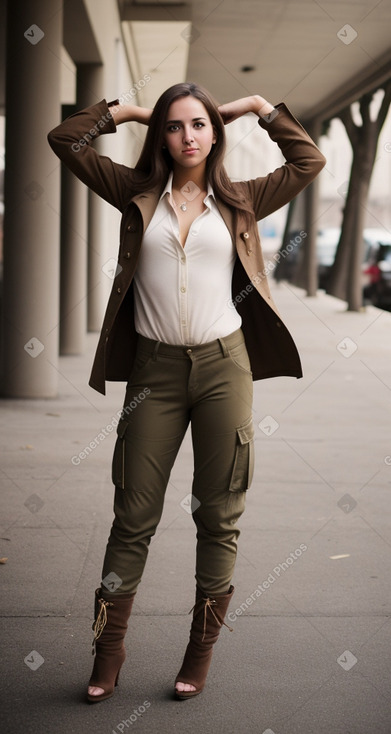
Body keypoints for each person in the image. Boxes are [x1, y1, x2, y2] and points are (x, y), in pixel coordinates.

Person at [47, 82, 326, 702]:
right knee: (132, 514)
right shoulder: (134, 191)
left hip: (225, 364)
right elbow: (65, 139)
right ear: (162, 137)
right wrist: (129, 111)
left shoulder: (244, 199)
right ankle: (108, 649)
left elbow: (309, 160)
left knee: (218, 513)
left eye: (199, 124)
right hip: (154, 372)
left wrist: (259, 109)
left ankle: (198, 653)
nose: (188, 136)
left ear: (215, 132)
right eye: (174, 127)